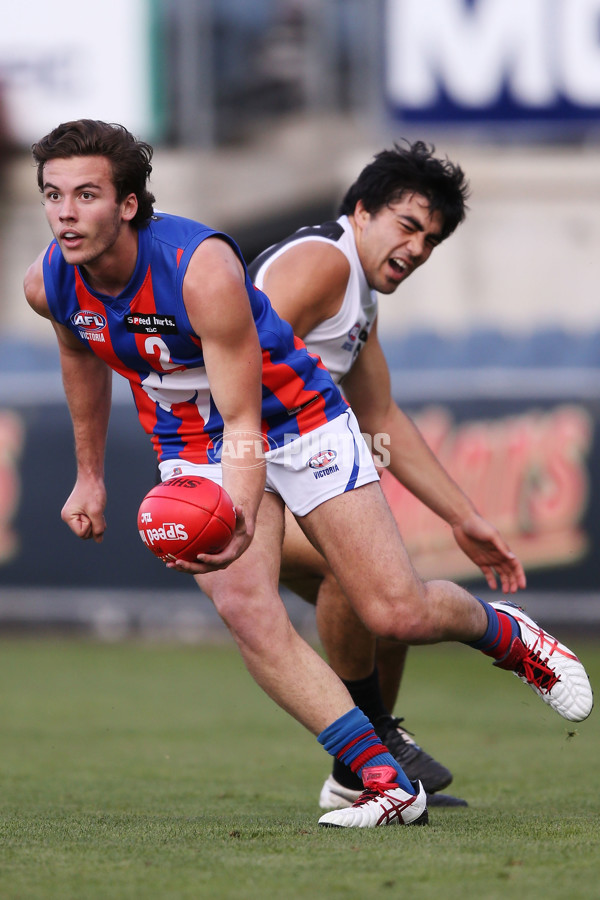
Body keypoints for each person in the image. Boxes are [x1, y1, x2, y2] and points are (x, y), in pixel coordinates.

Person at [24, 120, 592, 831]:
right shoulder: (53, 281)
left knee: (395, 611)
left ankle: (510, 642)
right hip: (206, 436)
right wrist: (91, 475)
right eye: (52, 195)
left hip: (293, 423)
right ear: (360, 212)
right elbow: (84, 350)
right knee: (250, 610)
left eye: (85, 195)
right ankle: (382, 779)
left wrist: (455, 513)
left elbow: (339, 413)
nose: (66, 212)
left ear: (129, 204)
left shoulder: (224, 271)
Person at [248, 141, 524, 810]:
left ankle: (367, 766)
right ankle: (371, 754)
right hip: (230, 481)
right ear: (363, 211)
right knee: (363, 574)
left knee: (384, 588)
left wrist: (463, 515)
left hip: (266, 483)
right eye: (408, 225)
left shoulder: (357, 291)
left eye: (430, 239)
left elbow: (381, 415)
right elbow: (233, 359)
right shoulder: (323, 264)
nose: (418, 247)